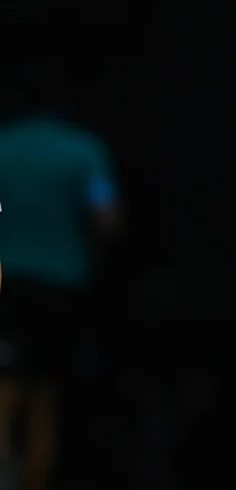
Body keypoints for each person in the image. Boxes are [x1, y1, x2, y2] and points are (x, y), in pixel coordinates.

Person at [0, 60, 122, 490]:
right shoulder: (83, 149)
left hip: (7, 285)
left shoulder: (3, 146)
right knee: (46, 394)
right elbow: (106, 217)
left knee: (6, 385)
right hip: (61, 286)